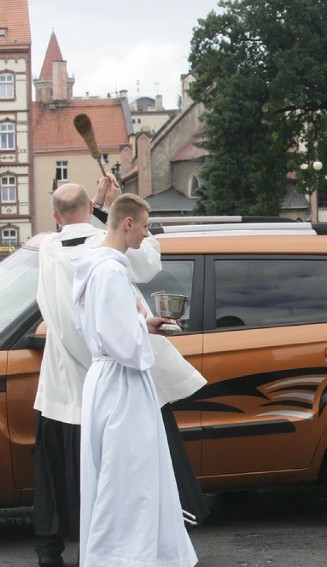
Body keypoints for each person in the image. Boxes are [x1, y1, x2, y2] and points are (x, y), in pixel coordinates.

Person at [33, 176, 206, 566]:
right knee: (131, 476)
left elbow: (97, 323)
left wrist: (141, 324)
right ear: (127, 223)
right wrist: (143, 336)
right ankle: (129, 555)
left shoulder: (58, 252)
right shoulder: (107, 264)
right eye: (143, 225)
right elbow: (124, 342)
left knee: (111, 475)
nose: (146, 233)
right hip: (121, 381)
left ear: (56, 216)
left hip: (90, 381)